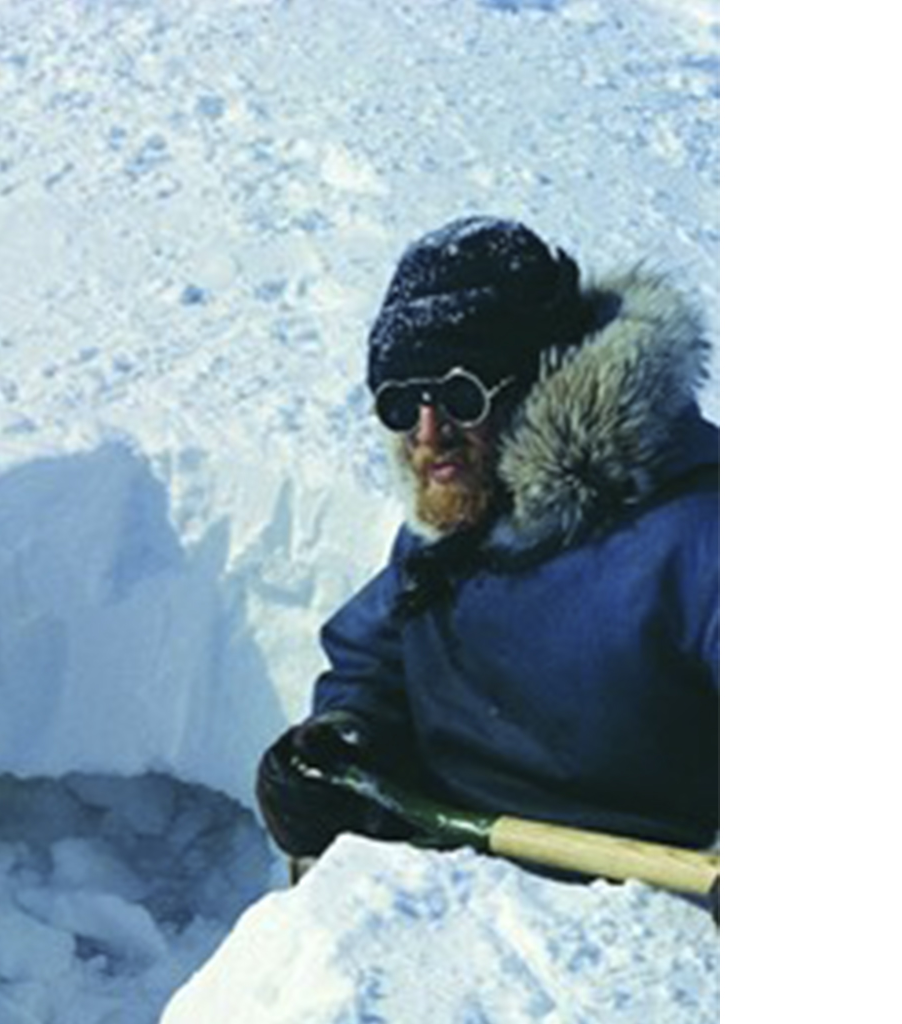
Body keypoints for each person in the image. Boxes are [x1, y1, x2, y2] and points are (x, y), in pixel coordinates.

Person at [255, 218, 719, 879]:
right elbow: (371, 659)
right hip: (434, 895)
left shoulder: (703, 533)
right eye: (402, 402)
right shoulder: (462, 511)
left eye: (460, 395)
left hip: (619, 930)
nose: (428, 433)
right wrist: (348, 740)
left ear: (543, 380)